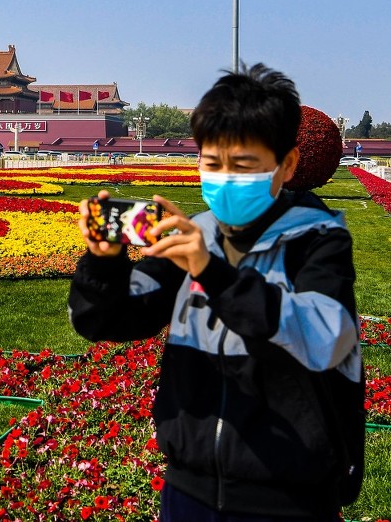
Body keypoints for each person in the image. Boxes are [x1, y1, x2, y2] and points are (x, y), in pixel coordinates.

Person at [68, 64, 364, 520]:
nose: (224, 177)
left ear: (286, 165)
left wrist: (214, 273)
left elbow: (325, 339)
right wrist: (103, 263)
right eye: (212, 163)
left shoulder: (319, 240)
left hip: (288, 496)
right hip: (189, 489)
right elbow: (105, 320)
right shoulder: (196, 234)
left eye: (242, 165)